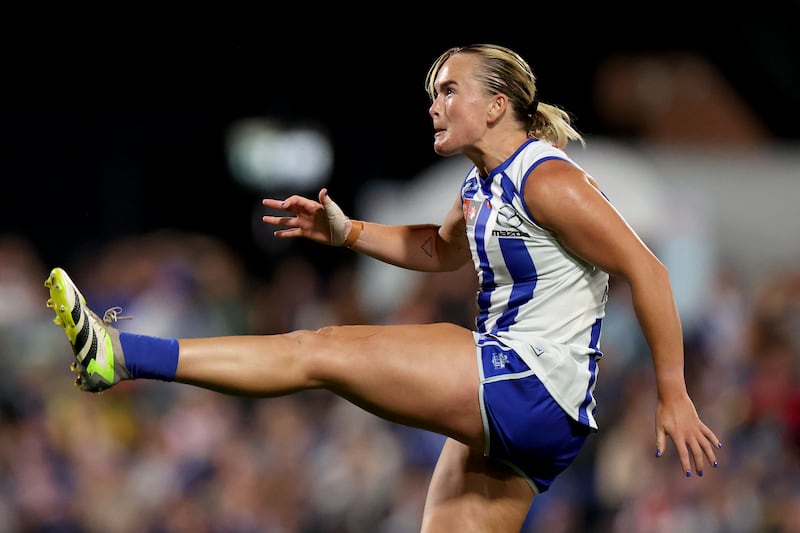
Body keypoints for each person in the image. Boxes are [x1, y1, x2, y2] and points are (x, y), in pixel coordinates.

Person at [45, 43, 722, 532]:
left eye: (449, 89)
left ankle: (121, 353)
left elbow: (649, 270)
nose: (434, 103)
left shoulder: (548, 179)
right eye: (434, 91)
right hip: (541, 414)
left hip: (524, 382)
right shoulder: (484, 184)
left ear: (496, 105)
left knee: (318, 350)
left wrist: (673, 393)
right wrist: (347, 233)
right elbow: (436, 248)